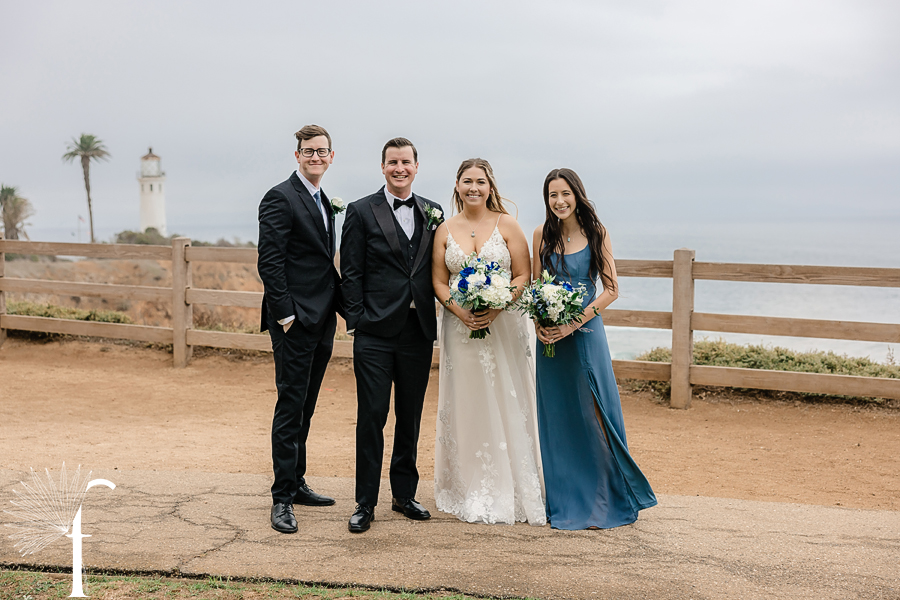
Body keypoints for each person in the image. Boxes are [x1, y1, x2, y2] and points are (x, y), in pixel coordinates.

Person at [532, 168, 657, 530]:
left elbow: (611, 289)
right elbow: (539, 286)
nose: (559, 201)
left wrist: (573, 323)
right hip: (550, 341)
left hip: (585, 334)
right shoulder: (542, 234)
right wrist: (541, 324)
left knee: (594, 413)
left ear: (577, 195)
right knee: (558, 414)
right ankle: (566, 496)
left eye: (565, 194)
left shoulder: (596, 233)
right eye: (552, 195)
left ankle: (610, 496)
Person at [431, 158, 546, 525]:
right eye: (467, 181)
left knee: (504, 395)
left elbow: (523, 274)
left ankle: (510, 484)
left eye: (480, 181)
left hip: (502, 326)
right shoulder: (444, 228)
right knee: (466, 400)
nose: (474, 188)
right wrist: (459, 311)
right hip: (458, 327)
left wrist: (497, 307)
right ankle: (468, 485)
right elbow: (437, 280)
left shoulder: (507, 225)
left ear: (490, 186)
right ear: (457, 186)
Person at [340, 137, 445, 533]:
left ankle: (404, 495)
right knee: (371, 416)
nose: (399, 168)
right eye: (392, 162)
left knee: (410, 416)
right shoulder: (360, 210)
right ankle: (364, 502)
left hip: (417, 331)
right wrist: (357, 320)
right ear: (382, 167)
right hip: (374, 334)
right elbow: (350, 271)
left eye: (406, 162)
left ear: (417, 166)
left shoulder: (433, 211)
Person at [257, 125, 343, 534]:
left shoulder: (324, 199)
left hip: (323, 319)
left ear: (330, 156)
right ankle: (281, 499)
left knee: (307, 405)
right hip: (294, 322)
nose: (315, 157)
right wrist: (286, 316)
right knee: (290, 407)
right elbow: (269, 261)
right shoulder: (280, 197)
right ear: (297, 155)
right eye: (308, 151)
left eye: (322, 152)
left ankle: (297, 481)